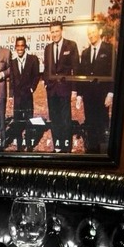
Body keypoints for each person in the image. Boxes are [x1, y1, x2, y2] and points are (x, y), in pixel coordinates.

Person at [76, 23, 114, 153]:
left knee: (102, 124)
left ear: (100, 31)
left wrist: (110, 93)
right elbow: (81, 75)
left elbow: (113, 72)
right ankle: (92, 152)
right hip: (88, 97)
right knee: (90, 124)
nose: (91, 35)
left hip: (102, 96)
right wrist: (80, 95)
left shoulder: (109, 49)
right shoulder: (85, 53)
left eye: (93, 32)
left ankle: (103, 153)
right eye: (89, 33)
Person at [42, 21, 79, 153]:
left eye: (57, 31)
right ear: (50, 33)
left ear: (61, 31)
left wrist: (74, 89)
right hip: (52, 89)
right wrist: (46, 82)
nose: (55, 34)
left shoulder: (71, 45)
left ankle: (66, 146)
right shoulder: (48, 48)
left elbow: (76, 68)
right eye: (52, 32)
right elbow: (46, 68)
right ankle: (57, 145)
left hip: (65, 88)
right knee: (54, 118)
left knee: (65, 118)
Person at [9, 37, 40, 151]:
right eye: (18, 46)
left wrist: (32, 88)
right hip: (17, 97)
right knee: (17, 121)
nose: (20, 48)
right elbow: (11, 79)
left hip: (27, 95)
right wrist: (11, 95)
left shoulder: (33, 59)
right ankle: (19, 145)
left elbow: (37, 75)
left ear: (25, 47)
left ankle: (29, 144)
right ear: (15, 47)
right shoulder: (12, 62)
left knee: (29, 119)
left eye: (22, 46)